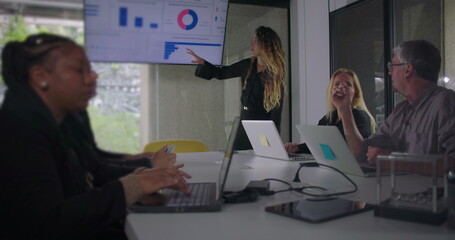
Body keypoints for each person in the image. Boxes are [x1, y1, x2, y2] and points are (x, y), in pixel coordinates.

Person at [0, 33, 191, 240]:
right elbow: (47, 224)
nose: (93, 77)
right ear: (40, 77)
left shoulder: (54, 120)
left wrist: (141, 179)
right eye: (79, 69)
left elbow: (90, 172)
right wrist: (132, 187)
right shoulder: (19, 130)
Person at [337, 40, 455, 174]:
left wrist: (395, 161)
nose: (389, 73)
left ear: (408, 70)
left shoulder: (447, 103)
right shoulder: (400, 110)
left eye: (392, 67)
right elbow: (362, 153)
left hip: (433, 195)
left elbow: (452, 164)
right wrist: (344, 109)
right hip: (400, 193)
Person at [187, 26, 286, 150]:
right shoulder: (247, 65)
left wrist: (273, 141)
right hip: (243, 127)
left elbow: (276, 114)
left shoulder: (275, 74)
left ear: (265, 43)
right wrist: (203, 63)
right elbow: (221, 73)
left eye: (255, 40)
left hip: (262, 130)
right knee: (236, 161)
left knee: (261, 162)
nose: (251, 43)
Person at [284, 68, 375, 154]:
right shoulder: (327, 119)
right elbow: (318, 145)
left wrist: (345, 108)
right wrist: (297, 148)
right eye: (336, 84)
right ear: (331, 91)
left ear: (355, 94)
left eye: (348, 84)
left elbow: (356, 150)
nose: (341, 88)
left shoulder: (360, 116)